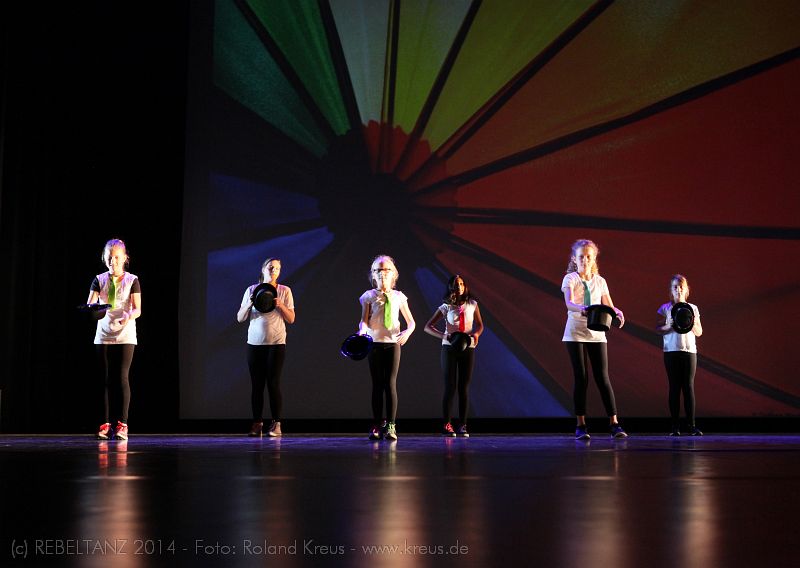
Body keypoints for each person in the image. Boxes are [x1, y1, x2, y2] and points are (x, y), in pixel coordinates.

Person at [561, 239, 627, 440]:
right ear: (575, 259)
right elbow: (569, 303)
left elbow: (608, 304)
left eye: (588, 256)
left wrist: (617, 311)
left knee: (603, 378)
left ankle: (614, 423)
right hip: (576, 333)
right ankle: (581, 425)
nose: (585, 260)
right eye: (581, 256)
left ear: (594, 259)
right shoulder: (570, 278)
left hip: (597, 334)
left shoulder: (600, 281)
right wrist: (582, 308)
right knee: (581, 378)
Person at [87, 239, 141, 440]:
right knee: (104, 379)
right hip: (103, 334)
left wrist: (128, 316)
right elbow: (91, 304)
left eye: (117, 257)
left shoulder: (132, 280)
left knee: (122, 377)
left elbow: (137, 309)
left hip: (125, 334)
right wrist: (92, 309)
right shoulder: (99, 279)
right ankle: (104, 424)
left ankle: (122, 425)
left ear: (125, 258)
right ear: (105, 258)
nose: (113, 261)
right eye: (109, 257)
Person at [358, 255, 415, 441]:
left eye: (386, 270)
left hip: (392, 344)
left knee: (390, 384)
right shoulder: (369, 296)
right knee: (377, 384)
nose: (382, 273)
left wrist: (407, 332)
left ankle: (391, 424)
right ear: (373, 275)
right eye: (378, 270)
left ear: (394, 274)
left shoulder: (399, 296)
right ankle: (376, 424)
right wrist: (362, 331)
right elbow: (364, 320)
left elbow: (411, 322)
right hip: (374, 343)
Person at [237, 258, 295, 437]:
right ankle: (257, 424)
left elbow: (291, 318)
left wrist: (280, 305)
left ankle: (277, 424)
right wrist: (249, 303)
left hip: (276, 343)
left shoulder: (284, 291)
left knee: (273, 383)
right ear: (263, 269)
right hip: (254, 344)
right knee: (257, 385)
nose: (273, 271)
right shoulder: (251, 290)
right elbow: (240, 318)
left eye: (277, 268)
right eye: (270, 267)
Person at [424, 275, 483, 437]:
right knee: (450, 387)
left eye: (462, 284)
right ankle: (447, 424)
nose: (460, 287)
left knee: (464, 387)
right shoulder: (446, 306)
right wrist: (444, 336)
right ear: (451, 287)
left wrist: (476, 334)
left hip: (467, 347)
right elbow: (428, 326)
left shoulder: (472, 304)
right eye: (456, 284)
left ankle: (463, 425)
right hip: (449, 348)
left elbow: (480, 325)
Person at [656, 274, 703, 436]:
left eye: (681, 286)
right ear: (671, 290)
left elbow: (699, 332)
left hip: (689, 351)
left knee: (688, 387)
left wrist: (691, 323)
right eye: (675, 287)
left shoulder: (693, 308)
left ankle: (691, 426)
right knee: (674, 387)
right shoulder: (665, 308)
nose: (678, 289)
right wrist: (668, 326)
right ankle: (675, 427)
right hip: (671, 351)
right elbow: (658, 329)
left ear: (686, 289)